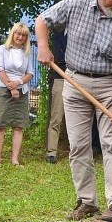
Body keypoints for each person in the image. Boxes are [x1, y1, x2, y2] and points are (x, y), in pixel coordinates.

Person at [35, 0, 112, 222]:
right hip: (74, 81)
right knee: (79, 145)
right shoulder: (76, 4)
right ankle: (86, 201)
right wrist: (43, 47)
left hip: (110, 85)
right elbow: (42, 20)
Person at [0, 23, 35, 167]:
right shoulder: (2, 49)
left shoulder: (27, 52)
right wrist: (11, 87)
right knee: (0, 124)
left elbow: (30, 73)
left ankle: (15, 159)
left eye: (24, 35)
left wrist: (18, 83)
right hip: (4, 89)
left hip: (21, 90)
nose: (20, 37)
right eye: (18, 34)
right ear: (13, 34)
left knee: (18, 126)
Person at [44, 30, 69, 163]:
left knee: (80, 119)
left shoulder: (82, 34)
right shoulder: (58, 35)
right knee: (56, 117)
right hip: (60, 78)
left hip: (78, 80)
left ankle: (79, 150)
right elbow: (58, 57)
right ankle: (51, 152)